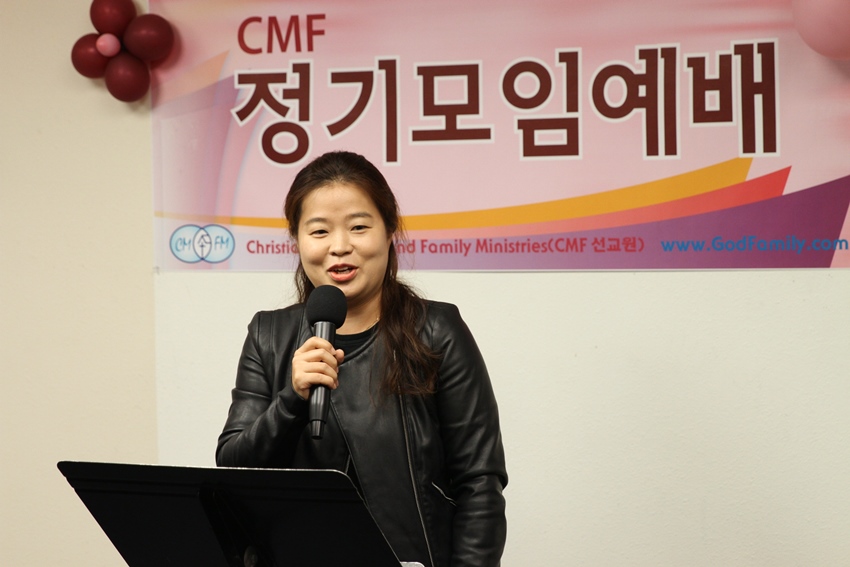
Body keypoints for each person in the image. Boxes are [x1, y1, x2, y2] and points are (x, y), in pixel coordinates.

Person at [216, 150, 507, 567]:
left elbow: (479, 483)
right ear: (297, 241)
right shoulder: (268, 336)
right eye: (319, 231)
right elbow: (233, 469)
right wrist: (292, 400)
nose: (340, 247)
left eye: (358, 227)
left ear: (389, 231)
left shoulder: (437, 332)